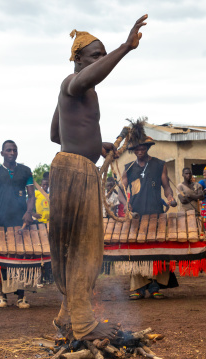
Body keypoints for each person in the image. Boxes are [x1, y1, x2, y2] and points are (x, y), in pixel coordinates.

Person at [49, 15, 147, 340]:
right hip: (74, 171)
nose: (101, 61)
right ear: (78, 59)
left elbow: (54, 133)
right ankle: (83, 324)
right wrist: (125, 48)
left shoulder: (79, 92)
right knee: (84, 249)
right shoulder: (72, 83)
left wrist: (95, 144)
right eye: (96, 56)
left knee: (75, 247)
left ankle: (67, 317)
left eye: (104, 55)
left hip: (76, 167)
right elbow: (84, 81)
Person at [121, 128, 178, 300]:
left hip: (156, 214)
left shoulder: (159, 165)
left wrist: (170, 199)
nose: (139, 151)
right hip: (136, 216)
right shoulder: (128, 168)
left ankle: (155, 286)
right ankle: (139, 287)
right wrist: (127, 205)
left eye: (142, 148)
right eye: (136, 149)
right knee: (137, 250)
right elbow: (121, 191)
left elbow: (167, 187)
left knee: (157, 250)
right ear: (133, 150)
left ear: (147, 148)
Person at [0, 140, 35, 309]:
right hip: (0, 220)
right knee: (2, 258)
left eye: (14, 150)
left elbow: (31, 196)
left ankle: (21, 297)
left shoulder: (26, 171)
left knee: (20, 257)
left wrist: (28, 213)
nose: (12, 153)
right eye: (8, 150)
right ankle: (2, 296)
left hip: (19, 221)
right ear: (2, 153)